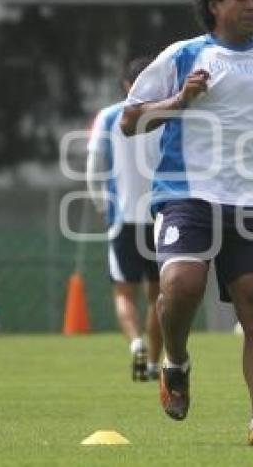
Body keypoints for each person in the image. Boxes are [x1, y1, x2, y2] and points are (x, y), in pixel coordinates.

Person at [120, 0, 253, 446]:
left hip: (250, 201)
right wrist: (178, 101)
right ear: (214, 4)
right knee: (181, 285)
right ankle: (176, 360)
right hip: (185, 193)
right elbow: (129, 120)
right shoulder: (183, 55)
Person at [86, 56, 163, 382]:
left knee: (124, 293)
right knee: (159, 295)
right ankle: (155, 364)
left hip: (123, 217)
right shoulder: (166, 113)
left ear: (125, 85)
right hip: (161, 215)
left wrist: (102, 206)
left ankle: (135, 345)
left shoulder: (108, 116)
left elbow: (93, 165)